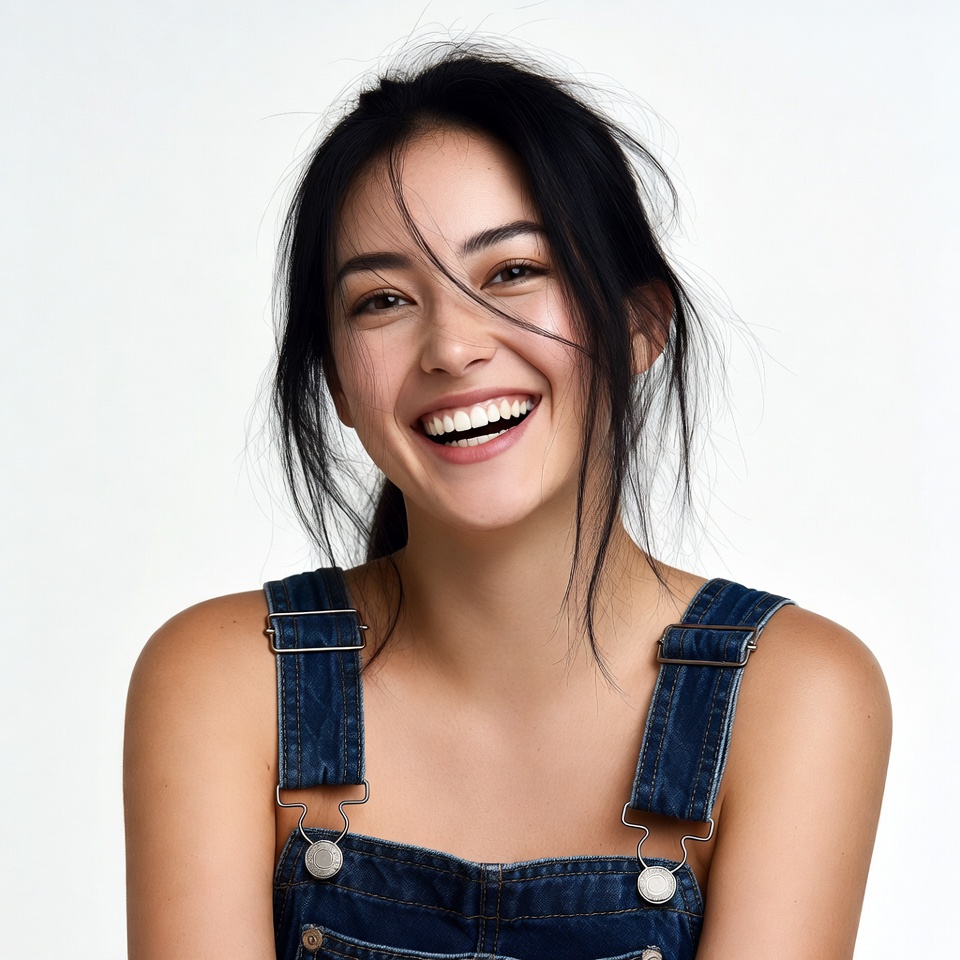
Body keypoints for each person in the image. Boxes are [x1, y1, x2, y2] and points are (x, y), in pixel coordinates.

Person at [124, 47, 891, 960]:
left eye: (512, 272)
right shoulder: (223, 679)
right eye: (382, 299)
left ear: (640, 325)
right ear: (334, 380)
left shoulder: (792, 691)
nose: (452, 346)